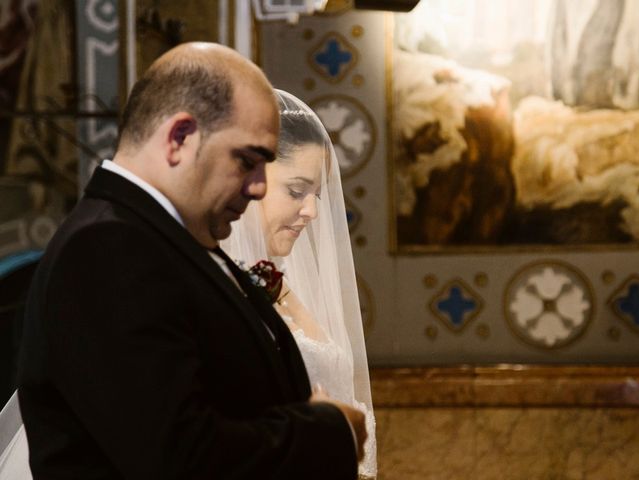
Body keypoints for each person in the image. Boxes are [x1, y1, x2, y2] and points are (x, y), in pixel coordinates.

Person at [6, 42, 366, 479]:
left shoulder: (173, 242)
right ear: (179, 138)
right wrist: (327, 431)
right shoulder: (107, 248)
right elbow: (176, 456)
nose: (257, 187)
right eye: (247, 161)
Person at [221, 90, 377, 479]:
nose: (311, 212)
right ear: (248, 179)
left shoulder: (280, 286)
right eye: (296, 191)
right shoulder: (215, 292)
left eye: (316, 195)